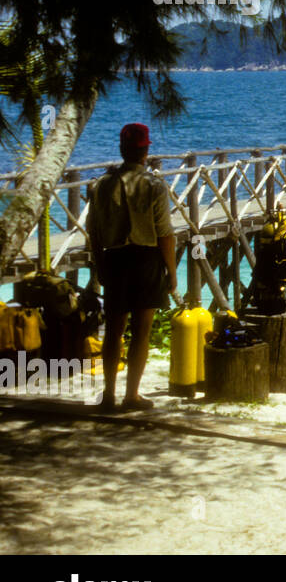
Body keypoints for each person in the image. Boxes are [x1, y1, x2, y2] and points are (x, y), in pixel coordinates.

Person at [86, 123, 176, 411]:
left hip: (114, 259)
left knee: (112, 330)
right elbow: (165, 234)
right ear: (145, 152)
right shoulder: (153, 185)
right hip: (145, 259)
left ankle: (109, 393)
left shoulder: (100, 185)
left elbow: (94, 234)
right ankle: (131, 395)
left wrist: (99, 267)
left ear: (122, 149)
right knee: (141, 331)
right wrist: (172, 272)